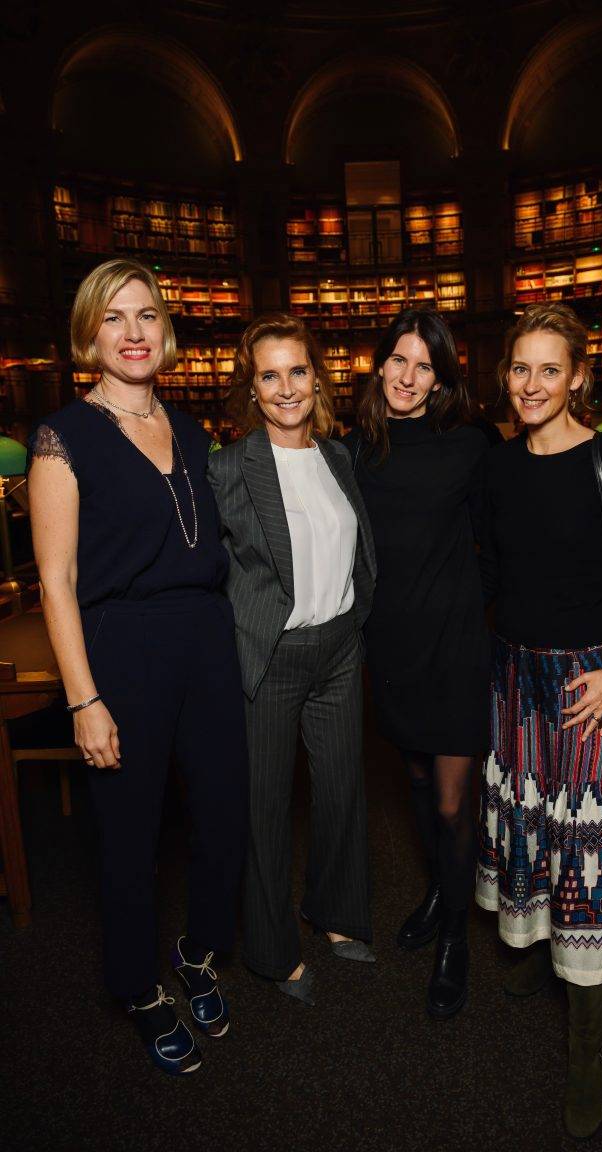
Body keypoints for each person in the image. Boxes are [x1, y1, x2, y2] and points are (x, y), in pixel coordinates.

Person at [27, 258, 248, 1075]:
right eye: (114, 317)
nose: (133, 333)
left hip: (206, 641)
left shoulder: (190, 430)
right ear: (90, 334)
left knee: (224, 815)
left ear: (167, 331)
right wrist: (84, 699)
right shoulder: (63, 437)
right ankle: (137, 985)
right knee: (129, 835)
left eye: (147, 315)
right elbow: (57, 580)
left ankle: (196, 953)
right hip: (121, 650)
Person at [476, 303, 602, 1138]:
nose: (531, 384)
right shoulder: (499, 465)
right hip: (515, 679)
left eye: (549, 369)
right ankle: (543, 954)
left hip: (592, 681)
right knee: (533, 832)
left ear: (579, 377)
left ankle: (586, 1049)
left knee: (589, 852)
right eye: (520, 367)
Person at [208, 313, 376, 1007]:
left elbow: (358, 550)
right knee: (267, 806)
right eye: (269, 375)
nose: (285, 388)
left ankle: (335, 913)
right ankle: (273, 953)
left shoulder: (340, 456)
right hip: (271, 657)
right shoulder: (227, 466)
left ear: (317, 377)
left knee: (340, 793)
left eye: (297, 371)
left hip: (339, 648)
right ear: (251, 386)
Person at [344, 307, 489, 1019]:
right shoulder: (355, 449)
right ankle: (439, 888)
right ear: (379, 366)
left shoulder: (469, 445)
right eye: (398, 360)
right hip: (391, 647)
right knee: (415, 779)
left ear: (441, 379)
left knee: (455, 801)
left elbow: (511, 530)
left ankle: (455, 941)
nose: (407, 376)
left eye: (423, 365)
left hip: (457, 646)